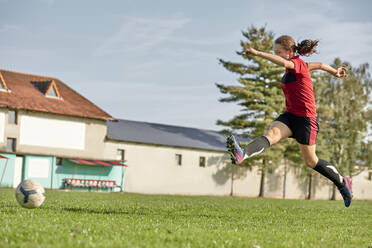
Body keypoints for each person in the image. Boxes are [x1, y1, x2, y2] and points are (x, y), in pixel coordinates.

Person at [226, 35, 352, 207]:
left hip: (306, 120)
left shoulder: (296, 63)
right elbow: (321, 65)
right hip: (290, 116)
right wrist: (334, 72)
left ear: (289, 51)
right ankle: (242, 154)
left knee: (311, 161)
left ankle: (343, 183)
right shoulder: (302, 66)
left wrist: (257, 53)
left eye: (278, 52)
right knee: (271, 135)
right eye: (275, 52)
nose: (276, 55)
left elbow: (285, 63)